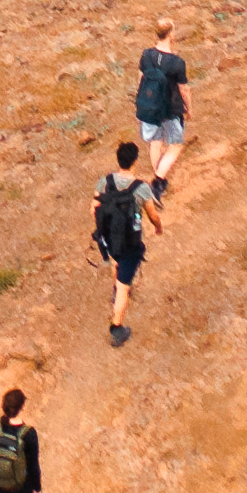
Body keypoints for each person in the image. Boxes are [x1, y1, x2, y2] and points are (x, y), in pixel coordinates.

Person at [90, 139, 153, 343]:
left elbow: (94, 207)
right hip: (130, 243)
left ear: (118, 160)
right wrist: (158, 227)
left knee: (115, 261)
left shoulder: (105, 182)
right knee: (124, 286)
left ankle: (116, 287)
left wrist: (102, 229)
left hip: (108, 237)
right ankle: (117, 328)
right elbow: (152, 214)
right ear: (135, 161)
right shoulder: (140, 188)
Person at [131, 23, 192, 205]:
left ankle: (159, 179)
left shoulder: (146, 54)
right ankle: (157, 183)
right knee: (175, 145)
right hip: (170, 109)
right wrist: (189, 108)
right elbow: (184, 90)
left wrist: (142, 99)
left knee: (155, 143)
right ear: (171, 34)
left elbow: (140, 78)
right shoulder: (177, 63)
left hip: (149, 106)